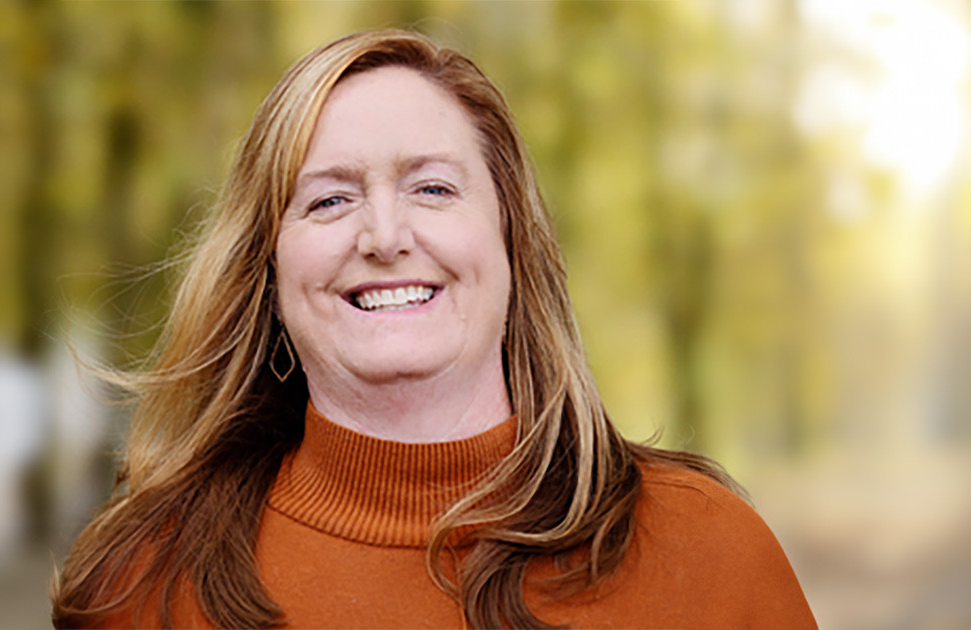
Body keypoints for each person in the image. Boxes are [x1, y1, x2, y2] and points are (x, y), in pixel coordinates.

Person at [51, 30, 816, 629]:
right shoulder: (146, 582)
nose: (384, 235)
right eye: (328, 201)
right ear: (269, 269)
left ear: (513, 242)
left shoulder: (709, 554)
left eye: (433, 187)